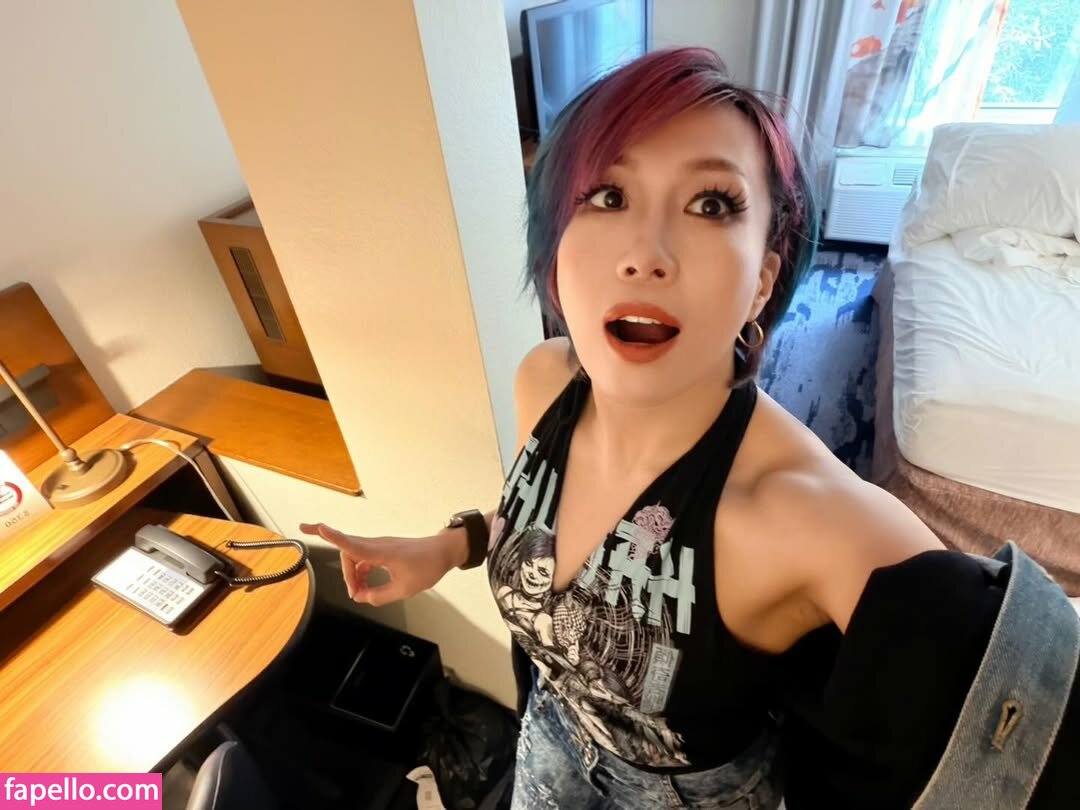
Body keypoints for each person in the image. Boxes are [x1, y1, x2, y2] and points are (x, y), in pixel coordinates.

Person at [301, 48, 1079, 808]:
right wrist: (452, 545)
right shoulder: (543, 381)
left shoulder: (804, 514)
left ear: (763, 280)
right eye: (607, 196)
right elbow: (539, 525)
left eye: (711, 204)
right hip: (548, 741)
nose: (645, 254)